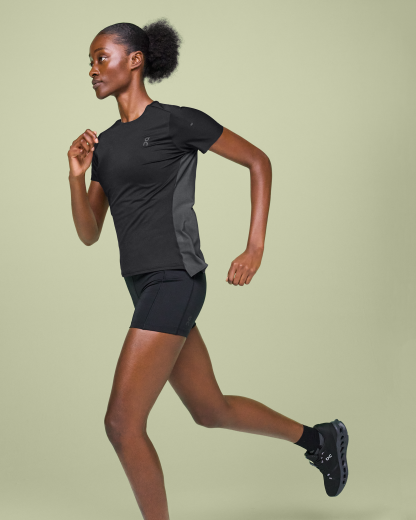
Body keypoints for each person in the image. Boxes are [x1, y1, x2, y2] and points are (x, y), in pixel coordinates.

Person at [67, 18, 349, 519]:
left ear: (135, 60)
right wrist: (76, 177)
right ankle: (319, 439)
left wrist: (254, 247)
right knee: (209, 409)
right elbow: (90, 233)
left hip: (175, 280)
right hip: (143, 286)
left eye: (100, 57)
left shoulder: (176, 122)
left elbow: (258, 161)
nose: (92, 69)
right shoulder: (104, 146)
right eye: (89, 61)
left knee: (121, 424)